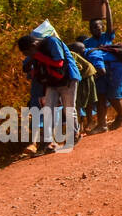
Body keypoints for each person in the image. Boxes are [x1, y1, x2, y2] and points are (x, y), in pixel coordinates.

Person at [17, 24, 81, 154]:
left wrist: (37, 56)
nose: (29, 54)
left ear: (33, 45)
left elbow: (59, 63)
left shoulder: (52, 42)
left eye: (29, 52)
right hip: (52, 81)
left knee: (69, 108)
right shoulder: (34, 50)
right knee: (48, 110)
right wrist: (33, 58)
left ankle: (75, 134)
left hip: (67, 78)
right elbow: (26, 67)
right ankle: (49, 142)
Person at [69, 41, 100, 134]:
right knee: (80, 101)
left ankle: (89, 122)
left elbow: (80, 67)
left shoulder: (70, 55)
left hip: (85, 77)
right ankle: (80, 125)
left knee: (85, 100)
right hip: (81, 77)